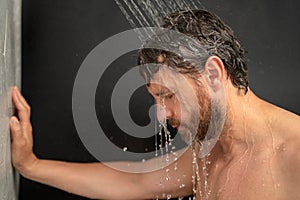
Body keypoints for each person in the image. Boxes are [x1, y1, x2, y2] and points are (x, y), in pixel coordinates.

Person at [10, 9, 300, 199]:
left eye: (169, 95)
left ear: (212, 73)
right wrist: (32, 166)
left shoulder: (294, 153)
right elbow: (135, 182)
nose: (161, 114)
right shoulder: (208, 154)